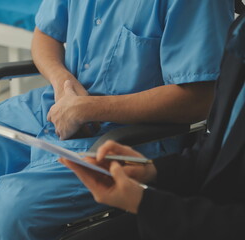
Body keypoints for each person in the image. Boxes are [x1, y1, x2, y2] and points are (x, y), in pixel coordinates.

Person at [0, 0, 234, 239]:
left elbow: (198, 98)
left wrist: (89, 109)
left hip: (128, 138)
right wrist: (63, 85)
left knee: (14, 211)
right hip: (52, 106)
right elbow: (45, 34)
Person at [60, 12, 245, 240]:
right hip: (196, 209)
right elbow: (215, 155)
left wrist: (143, 201)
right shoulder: (240, 33)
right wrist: (150, 170)